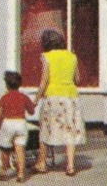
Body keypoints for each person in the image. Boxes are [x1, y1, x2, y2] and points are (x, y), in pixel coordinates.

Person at [35, 28, 86, 176]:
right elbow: (77, 79)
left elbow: (44, 81)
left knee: (46, 129)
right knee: (69, 131)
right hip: (71, 98)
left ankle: (42, 163)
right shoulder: (72, 56)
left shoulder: (47, 56)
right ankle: (70, 166)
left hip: (53, 97)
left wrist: (36, 98)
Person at [0, 71, 36, 182]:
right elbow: (31, 112)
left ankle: (4, 171)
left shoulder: (4, 98)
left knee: (5, 150)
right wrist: (33, 104)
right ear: (19, 84)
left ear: (6, 85)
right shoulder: (24, 97)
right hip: (21, 123)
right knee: (20, 149)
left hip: (7, 123)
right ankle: (21, 174)